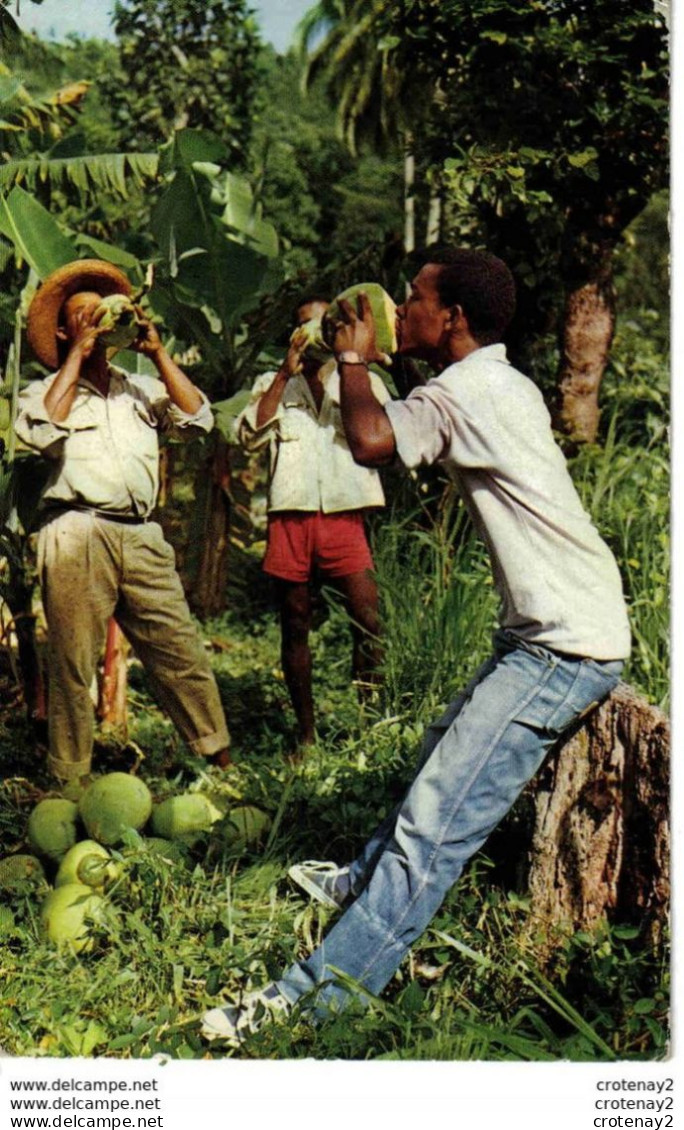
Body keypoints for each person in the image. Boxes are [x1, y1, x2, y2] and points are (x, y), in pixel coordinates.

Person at [201, 247, 631, 1045]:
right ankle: (355, 885)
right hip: (550, 627)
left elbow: (368, 441)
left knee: (435, 827)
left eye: (415, 296)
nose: (402, 305)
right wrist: (349, 363)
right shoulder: (496, 382)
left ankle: (311, 998)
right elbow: (380, 425)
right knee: (439, 753)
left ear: (453, 318)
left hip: (566, 646)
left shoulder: (466, 394)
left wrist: (355, 358)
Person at [16, 259, 231, 782]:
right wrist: (77, 359)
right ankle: (70, 779)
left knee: (178, 648)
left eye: (101, 313)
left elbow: (198, 419)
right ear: (67, 330)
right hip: (75, 531)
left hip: (139, 535)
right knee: (72, 663)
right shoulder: (39, 391)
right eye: (82, 316)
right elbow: (41, 431)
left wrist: (156, 353)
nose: (96, 321)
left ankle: (221, 759)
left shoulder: (138, 389)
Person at [236, 297, 390, 754]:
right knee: (295, 621)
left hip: (344, 514)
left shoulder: (360, 381)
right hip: (292, 517)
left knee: (368, 620)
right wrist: (285, 373)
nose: (315, 333)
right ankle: (306, 735)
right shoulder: (273, 383)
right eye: (305, 325)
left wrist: (356, 364)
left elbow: (385, 433)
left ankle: (370, 721)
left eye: (323, 325)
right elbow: (248, 435)